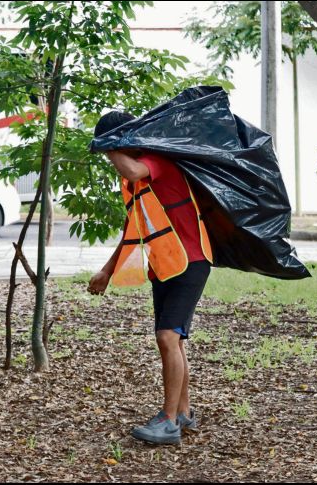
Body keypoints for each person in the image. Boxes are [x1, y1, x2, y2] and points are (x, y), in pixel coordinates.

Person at [88, 111, 214, 444]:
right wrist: (107, 269)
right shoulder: (133, 181)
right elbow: (135, 228)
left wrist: (108, 144)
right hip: (165, 265)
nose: (109, 159)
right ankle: (183, 412)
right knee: (175, 340)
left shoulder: (156, 161)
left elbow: (130, 166)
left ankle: (168, 422)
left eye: (111, 149)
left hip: (192, 261)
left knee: (167, 338)